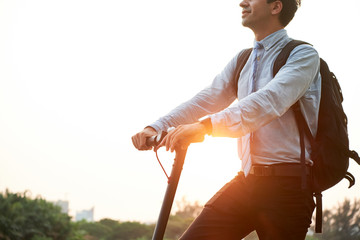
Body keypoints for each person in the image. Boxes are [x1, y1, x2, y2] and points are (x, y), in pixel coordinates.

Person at [132, 0, 321, 239]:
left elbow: (269, 101)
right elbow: (206, 99)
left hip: (288, 187)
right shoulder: (244, 59)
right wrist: (156, 127)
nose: (242, 2)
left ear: (276, 7)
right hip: (246, 182)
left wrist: (205, 126)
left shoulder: (303, 55)